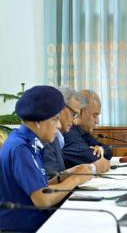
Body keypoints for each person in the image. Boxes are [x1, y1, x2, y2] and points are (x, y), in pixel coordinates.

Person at [0, 85, 93, 232]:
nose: (58, 125)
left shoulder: (28, 142)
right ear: (38, 121)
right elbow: (42, 198)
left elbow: (38, 185)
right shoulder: (21, 148)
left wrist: (69, 173)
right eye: (55, 119)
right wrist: (75, 179)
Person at [43, 87, 110, 175]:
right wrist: (91, 169)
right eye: (74, 114)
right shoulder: (53, 136)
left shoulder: (57, 136)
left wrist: (100, 150)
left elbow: (108, 150)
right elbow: (50, 181)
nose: (75, 122)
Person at [62, 89, 112, 168]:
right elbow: (94, 159)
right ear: (80, 111)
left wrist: (101, 149)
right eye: (94, 115)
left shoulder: (82, 132)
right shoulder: (68, 131)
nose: (97, 121)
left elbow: (108, 150)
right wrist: (98, 154)